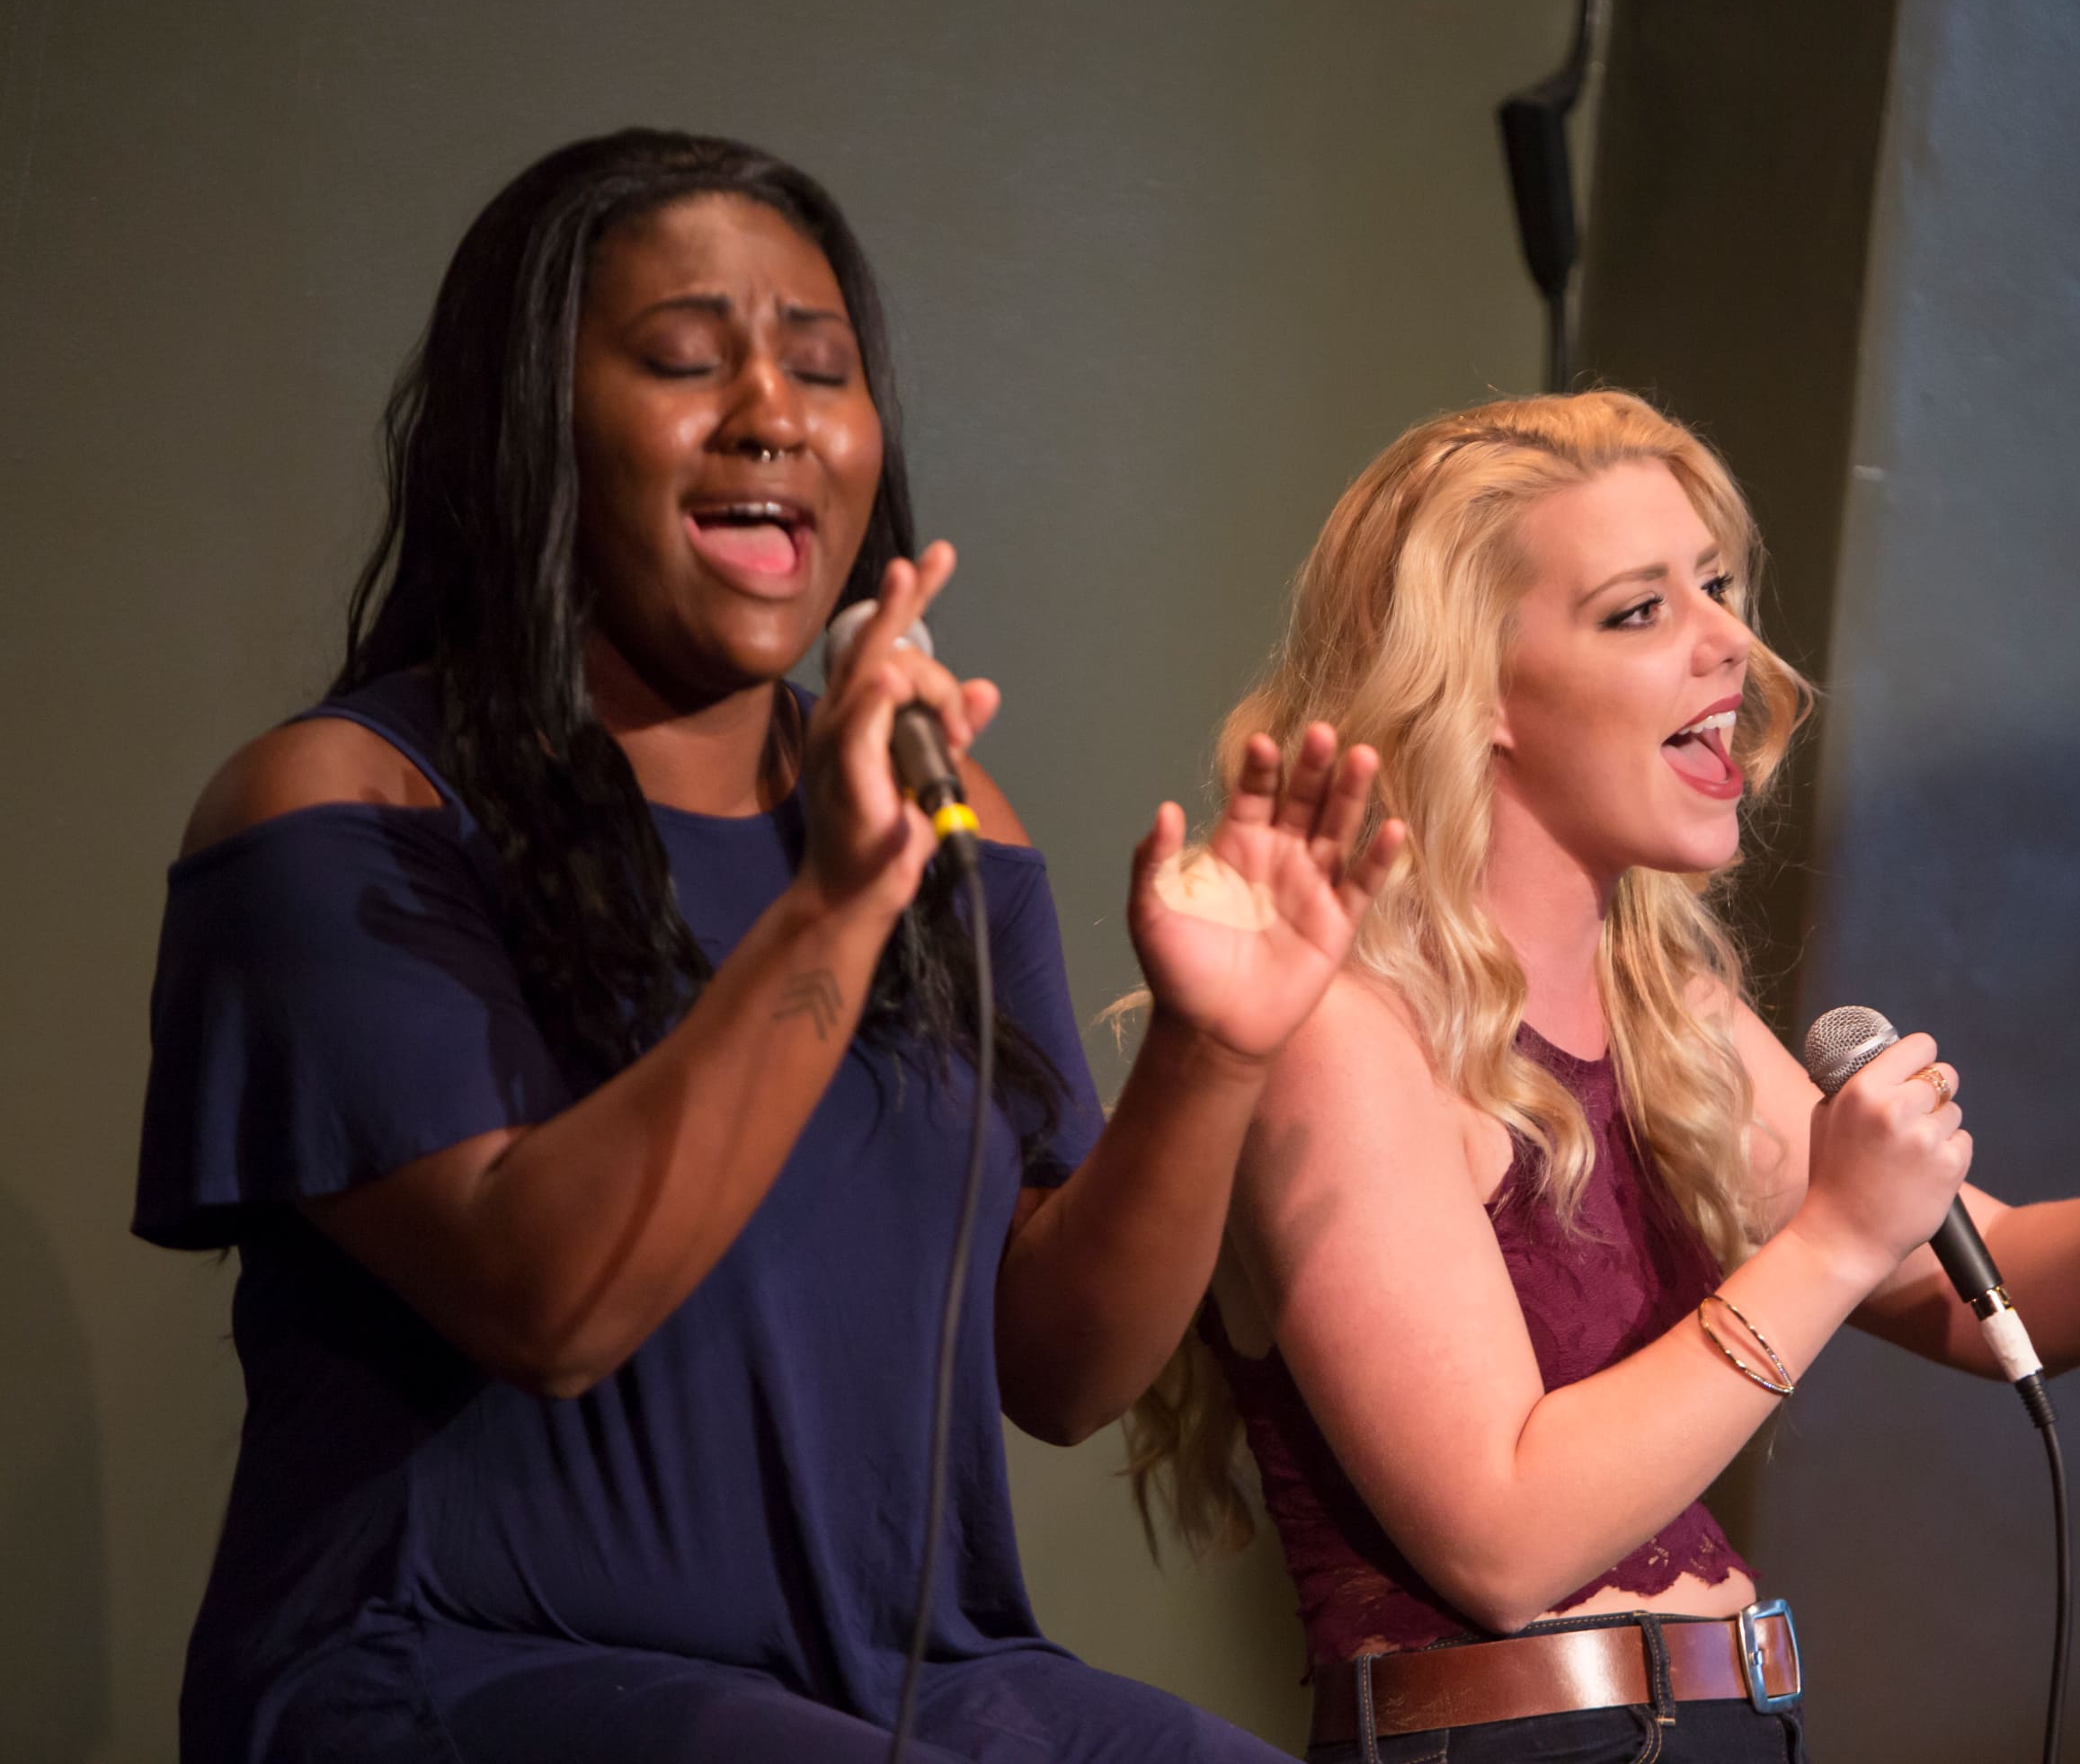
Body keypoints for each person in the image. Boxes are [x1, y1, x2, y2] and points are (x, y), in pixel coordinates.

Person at [132, 129, 1403, 1764]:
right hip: (451, 1664)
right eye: (682, 360)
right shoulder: (345, 807)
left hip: (902, 1676)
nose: (773, 416)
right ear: (532, 429)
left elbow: (1063, 1369)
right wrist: (839, 907)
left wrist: (1209, 1055)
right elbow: (551, 1303)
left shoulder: (952, 827)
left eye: (822, 369)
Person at [1124, 390, 2080, 1762]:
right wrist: (1831, 1234)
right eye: (1639, 610)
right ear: (1474, 687)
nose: (1730, 645)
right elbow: (1501, 1538)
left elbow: (1996, 1287)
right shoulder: (1343, 1029)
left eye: (1715, 586)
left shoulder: (1672, 1016)